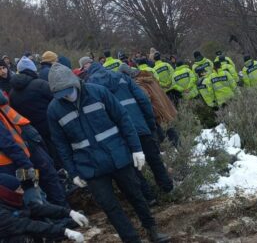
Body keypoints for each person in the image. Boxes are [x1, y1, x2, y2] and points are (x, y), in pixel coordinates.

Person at [47, 63, 169, 243]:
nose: (65, 96)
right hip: (90, 166)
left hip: (118, 156)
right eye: (60, 94)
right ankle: (131, 240)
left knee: (136, 196)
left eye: (67, 91)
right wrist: (73, 172)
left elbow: (123, 119)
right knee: (110, 207)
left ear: (75, 82)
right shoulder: (54, 110)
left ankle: (152, 230)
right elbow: (61, 145)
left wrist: (136, 149)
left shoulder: (98, 93)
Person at [86, 62, 173, 196]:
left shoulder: (91, 88)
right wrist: (150, 123)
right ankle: (167, 189)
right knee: (154, 159)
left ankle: (149, 197)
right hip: (140, 126)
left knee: (134, 168)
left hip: (120, 133)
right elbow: (143, 100)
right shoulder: (122, 78)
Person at [0, 91, 67, 206]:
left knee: (33, 193)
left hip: (15, 159)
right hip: (16, 161)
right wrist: (26, 165)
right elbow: (8, 143)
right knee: (34, 194)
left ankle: (58, 215)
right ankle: (59, 217)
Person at [9, 56, 64, 170]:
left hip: (31, 131)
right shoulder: (40, 84)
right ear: (31, 70)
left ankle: (57, 173)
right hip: (51, 124)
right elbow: (57, 100)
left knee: (46, 154)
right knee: (60, 148)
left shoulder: (12, 93)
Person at [0, 173, 88, 243]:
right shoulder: (2, 213)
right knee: (24, 238)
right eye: (18, 190)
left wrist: (69, 212)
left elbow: (38, 208)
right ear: (7, 193)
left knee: (39, 219)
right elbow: (27, 225)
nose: (22, 192)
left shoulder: (12, 201)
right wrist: (64, 231)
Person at [134, 70, 179, 147]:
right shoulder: (150, 79)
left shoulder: (140, 84)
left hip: (157, 113)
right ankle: (180, 148)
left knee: (164, 136)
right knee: (171, 132)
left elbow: (147, 100)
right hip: (165, 109)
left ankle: (174, 152)